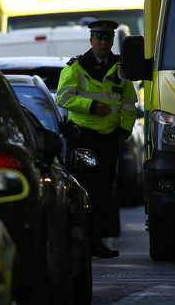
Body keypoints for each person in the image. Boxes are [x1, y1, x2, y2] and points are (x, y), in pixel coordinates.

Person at [56, 19, 138, 258]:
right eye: (99, 38)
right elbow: (63, 98)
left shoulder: (119, 69)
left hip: (109, 141)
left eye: (107, 39)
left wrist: (125, 132)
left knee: (103, 194)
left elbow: (129, 105)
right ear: (91, 40)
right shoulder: (76, 67)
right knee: (83, 191)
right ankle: (82, 241)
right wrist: (90, 106)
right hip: (83, 140)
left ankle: (97, 242)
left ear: (112, 41)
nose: (103, 42)